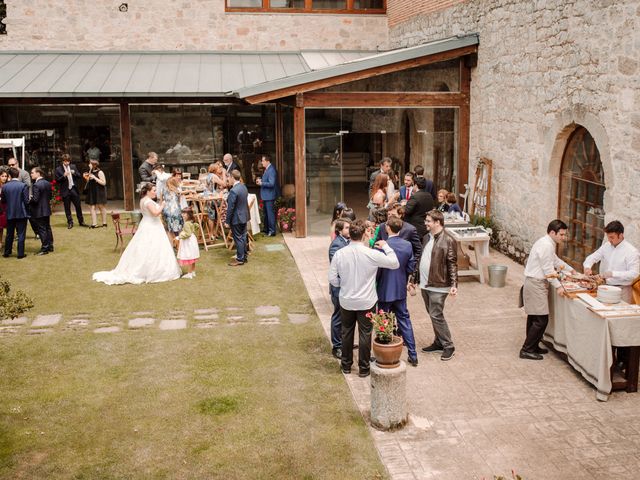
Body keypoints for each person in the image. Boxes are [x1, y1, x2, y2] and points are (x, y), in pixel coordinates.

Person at [328, 219, 400, 378]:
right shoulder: (372, 253)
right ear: (363, 235)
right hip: (366, 300)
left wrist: (344, 284)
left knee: (346, 332)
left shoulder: (340, 253)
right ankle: (364, 368)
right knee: (365, 334)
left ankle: (346, 365)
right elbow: (394, 263)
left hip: (346, 299)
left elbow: (332, 279)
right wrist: (386, 246)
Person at [93, 183, 182, 285]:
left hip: (147, 224)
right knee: (152, 247)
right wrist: (162, 206)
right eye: (153, 190)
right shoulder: (148, 202)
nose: (155, 192)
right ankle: (151, 271)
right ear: (148, 191)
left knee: (146, 247)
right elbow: (156, 213)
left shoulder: (143, 200)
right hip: (152, 226)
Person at [520, 219, 574, 360]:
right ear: (552, 232)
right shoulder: (546, 246)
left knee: (534, 317)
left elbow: (555, 261)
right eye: (561, 235)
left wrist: (572, 271)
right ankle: (526, 349)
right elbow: (548, 269)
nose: (563, 237)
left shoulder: (548, 243)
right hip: (536, 284)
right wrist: (558, 287)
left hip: (536, 283)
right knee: (541, 319)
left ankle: (533, 345)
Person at [415, 209, 458, 361]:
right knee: (432, 314)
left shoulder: (449, 240)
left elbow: (452, 263)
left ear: (437, 222)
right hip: (425, 284)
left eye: (428, 221)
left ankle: (448, 346)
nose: (425, 223)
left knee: (436, 314)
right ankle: (438, 342)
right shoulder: (427, 237)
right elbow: (421, 257)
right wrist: (415, 278)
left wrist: (454, 284)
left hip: (439, 285)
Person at [377, 216, 418, 366]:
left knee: (383, 321)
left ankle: (383, 352)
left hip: (384, 289)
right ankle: (413, 354)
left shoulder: (382, 245)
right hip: (400, 289)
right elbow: (410, 266)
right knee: (405, 321)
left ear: (388, 228)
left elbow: (378, 270)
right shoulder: (407, 245)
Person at [583, 220, 640, 304]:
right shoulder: (606, 246)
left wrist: (613, 274)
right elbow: (592, 257)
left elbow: (634, 274)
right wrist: (587, 267)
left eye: (612, 237)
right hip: (605, 288)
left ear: (620, 235)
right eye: (608, 237)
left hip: (623, 291)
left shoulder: (631, 251)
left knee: (619, 315)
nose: (609, 240)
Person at [328, 218, 351, 360]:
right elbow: (338, 268)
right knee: (338, 317)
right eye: (347, 228)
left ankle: (345, 342)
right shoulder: (336, 245)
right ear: (340, 230)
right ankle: (337, 346)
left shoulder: (347, 242)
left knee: (346, 317)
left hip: (347, 287)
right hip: (338, 288)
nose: (350, 230)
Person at [1, 168, 29, 259]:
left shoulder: (5, 187)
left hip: (9, 212)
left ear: (10, 176)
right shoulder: (23, 185)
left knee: (9, 233)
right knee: (21, 233)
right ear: (18, 175)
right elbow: (26, 200)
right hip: (21, 212)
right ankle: (20, 253)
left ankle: (7, 252)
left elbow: (4, 200)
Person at [55, 154, 87, 229]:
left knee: (78, 206)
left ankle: (81, 221)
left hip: (73, 189)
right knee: (67, 208)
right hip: (65, 190)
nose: (67, 163)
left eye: (68, 161)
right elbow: (57, 180)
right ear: (62, 161)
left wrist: (74, 173)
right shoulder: (58, 169)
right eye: (65, 161)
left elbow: (79, 176)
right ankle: (70, 222)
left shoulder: (73, 167)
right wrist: (64, 176)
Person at [225, 169, 250, 266]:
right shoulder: (243, 187)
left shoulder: (233, 191)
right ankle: (244, 256)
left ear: (232, 177)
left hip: (236, 218)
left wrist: (227, 221)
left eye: (228, 177)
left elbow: (230, 208)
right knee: (243, 237)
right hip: (244, 216)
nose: (228, 179)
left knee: (238, 238)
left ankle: (240, 259)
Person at [29, 167, 54, 255]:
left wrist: (30, 200)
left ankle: (44, 249)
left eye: (32, 173)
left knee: (42, 229)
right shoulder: (48, 183)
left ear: (38, 173)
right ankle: (50, 246)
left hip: (39, 210)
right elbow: (50, 197)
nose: (31, 174)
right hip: (46, 209)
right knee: (47, 228)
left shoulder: (36, 185)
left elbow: (35, 200)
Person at [256, 155, 279, 237]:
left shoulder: (271, 170)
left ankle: (272, 231)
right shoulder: (268, 169)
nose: (261, 162)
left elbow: (272, 183)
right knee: (266, 213)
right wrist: (261, 180)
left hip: (269, 196)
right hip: (267, 195)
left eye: (263, 161)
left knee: (270, 214)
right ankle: (266, 229)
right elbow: (268, 180)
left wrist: (262, 183)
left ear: (267, 161)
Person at [175, 207, 200, 279]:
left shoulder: (186, 224)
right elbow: (196, 227)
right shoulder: (192, 222)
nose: (183, 215)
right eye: (182, 213)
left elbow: (187, 234)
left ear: (189, 214)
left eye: (184, 213)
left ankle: (189, 273)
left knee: (189, 256)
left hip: (188, 241)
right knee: (192, 255)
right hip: (192, 240)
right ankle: (193, 271)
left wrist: (179, 237)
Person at [85, 159, 108, 228]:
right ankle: (94, 224)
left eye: (90, 164)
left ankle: (104, 223)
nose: (88, 165)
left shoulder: (100, 172)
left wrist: (95, 177)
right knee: (92, 207)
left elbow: (104, 183)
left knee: (101, 207)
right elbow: (89, 182)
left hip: (99, 191)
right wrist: (87, 178)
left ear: (94, 165)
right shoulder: (90, 171)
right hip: (92, 191)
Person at [162, 176, 184, 243]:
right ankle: (178, 243)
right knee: (177, 229)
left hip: (166, 210)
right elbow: (179, 201)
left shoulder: (163, 189)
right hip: (175, 211)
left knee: (169, 228)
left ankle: (171, 243)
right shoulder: (177, 190)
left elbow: (162, 200)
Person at [0, 167, 8, 250]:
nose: (4, 178)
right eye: (2, 176)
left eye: (6, 176)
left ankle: (1, 242)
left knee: (3, 227)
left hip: (5, 208)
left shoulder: (7, 186)